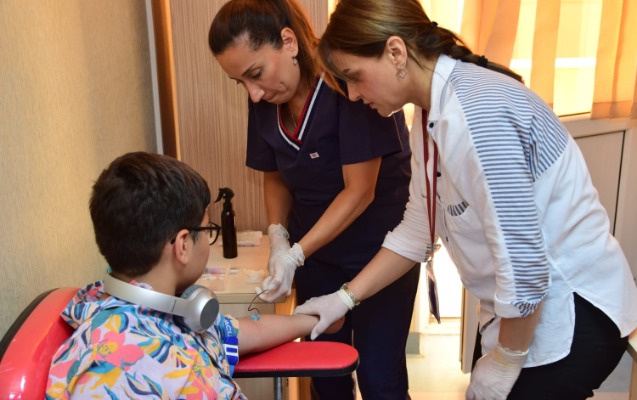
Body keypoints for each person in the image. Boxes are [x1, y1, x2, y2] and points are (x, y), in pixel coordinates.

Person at [293, 0, 637, 399]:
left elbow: (524, 267)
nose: (352, 95)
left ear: (396, 53)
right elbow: (417, 230)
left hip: (572, 308)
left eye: (354, 77)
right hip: (522, 310)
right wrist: (344, 298)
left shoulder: (477, 114)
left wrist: (506, 360)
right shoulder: (430, 114)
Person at [208, 1, 419, 399]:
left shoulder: (349, 80)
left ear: (288, 42)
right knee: (325, 373)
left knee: (380, 377)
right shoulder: (266, 96)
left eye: (256, 74)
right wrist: (278, 236)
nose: (254, 93)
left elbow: (360, 191)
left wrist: (296, 253)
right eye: (241, 82)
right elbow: (275, 172)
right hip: (317, 256)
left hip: (380, 251)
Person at [45, 151, 343, 399]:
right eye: (208, 229)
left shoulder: (131, 304)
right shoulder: (136, 372)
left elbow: (241, 331)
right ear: (183, 245)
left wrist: (314, 319)